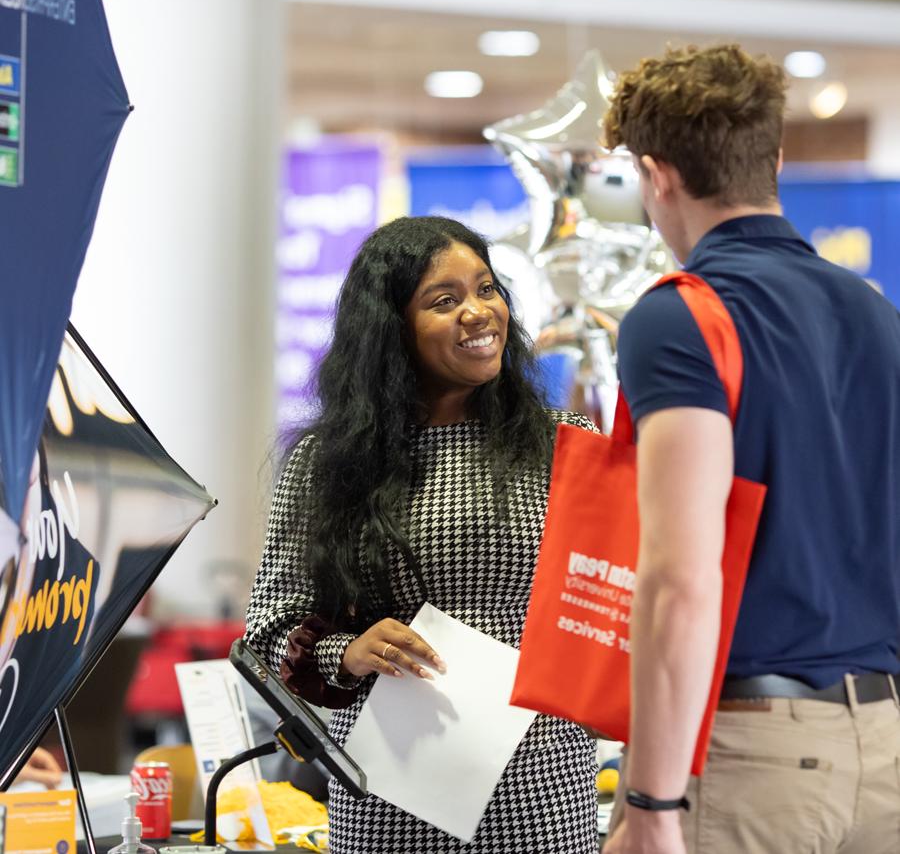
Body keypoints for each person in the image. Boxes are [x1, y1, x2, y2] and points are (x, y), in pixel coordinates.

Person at [598, 43, 900, 854]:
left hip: (751, 754)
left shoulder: (681, 315)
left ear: (657, 175)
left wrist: (653, 802)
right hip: (883, 747)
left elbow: (681, 577)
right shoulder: (874, 314)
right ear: (772, 156)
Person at [244, 216, 599, 854]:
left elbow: (617, 604)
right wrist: (345, 654)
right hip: (389, 801)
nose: (478, 312)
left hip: (543, 795)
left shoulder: (566, 443)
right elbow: (267, 634)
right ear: (390, 330)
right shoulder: (326, 462)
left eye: (487, 289)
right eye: (445, 300)